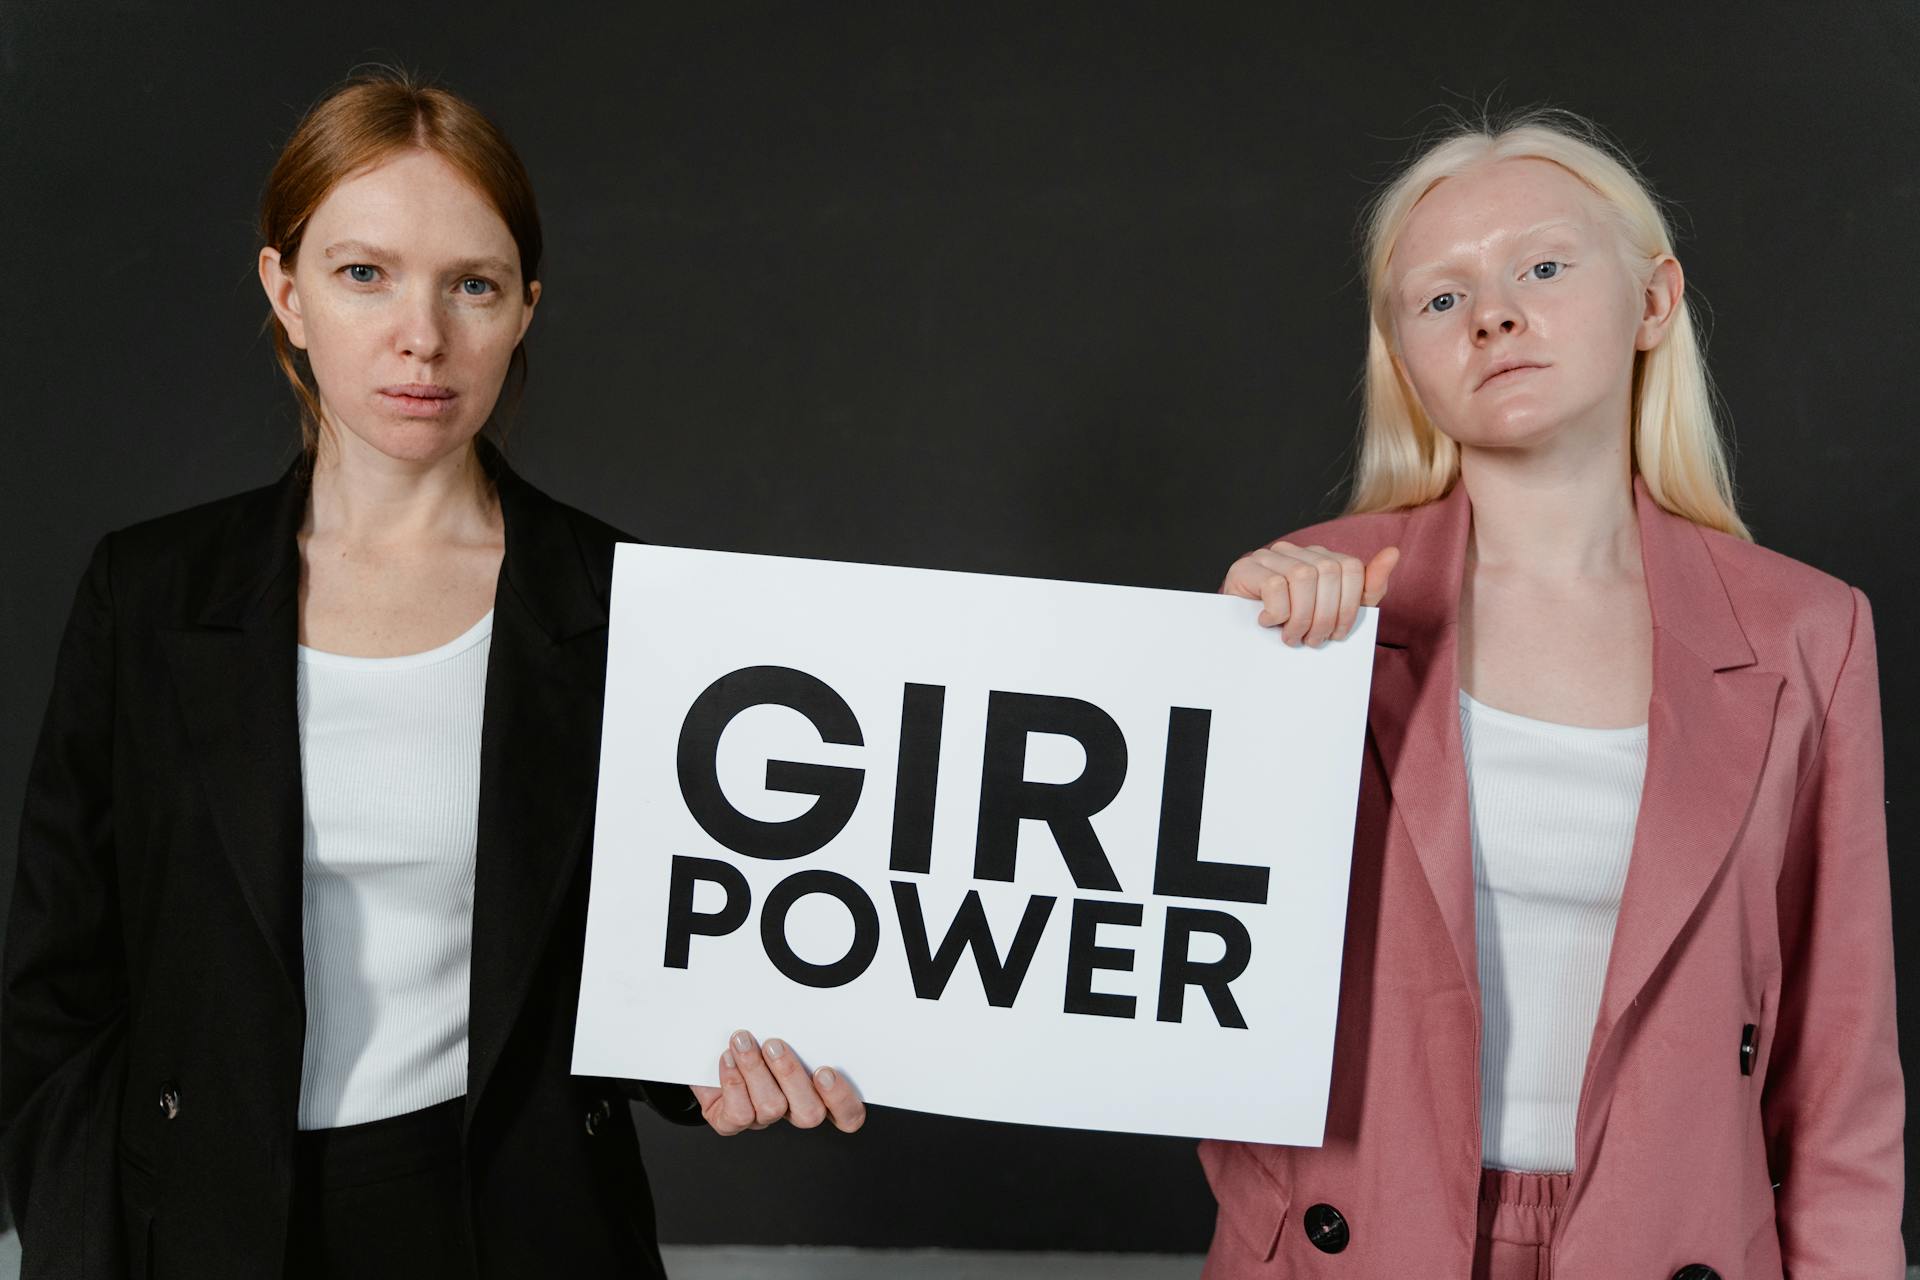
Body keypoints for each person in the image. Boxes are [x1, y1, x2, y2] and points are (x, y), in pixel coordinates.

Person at [0, 69, 862, 1280]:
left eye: (474, 283)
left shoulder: (629, 603)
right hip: (202, 1224)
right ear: (285, 291)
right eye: (365, 274)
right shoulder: (147, 595)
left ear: (523, 310)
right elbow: (55, 988)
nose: (425, 334)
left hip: (523, 1225)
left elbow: (676, 943)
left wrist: (713, 1069)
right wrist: (86, 1232)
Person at [1205, 110, 1902, 1278]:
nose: (1494, 313)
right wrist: (1224, 677)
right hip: (1355, 1243)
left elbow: (1843, 1080)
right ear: (1409, 360)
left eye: (1542, 265)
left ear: (1653, 302)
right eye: (1441, 298)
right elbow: (1158, 973)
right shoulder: (1309, 607)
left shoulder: (1808, 632)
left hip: (1668, 1241)